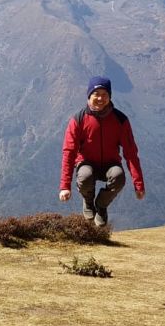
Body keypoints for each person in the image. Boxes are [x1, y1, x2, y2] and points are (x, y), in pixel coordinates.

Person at [59, 76, 145, 227]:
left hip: (110, 164)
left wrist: (139, 185)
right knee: (85, 175)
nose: (100, 98)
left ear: (110, 96)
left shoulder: (120, 120)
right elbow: (69, 152)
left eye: (104, 94)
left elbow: (131, 153)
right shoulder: (78, 120)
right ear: (89, 96)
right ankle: (88, 202)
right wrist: (65, 186)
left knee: (118, 176)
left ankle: (101, 205)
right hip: (86, 163)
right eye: (96, 94)